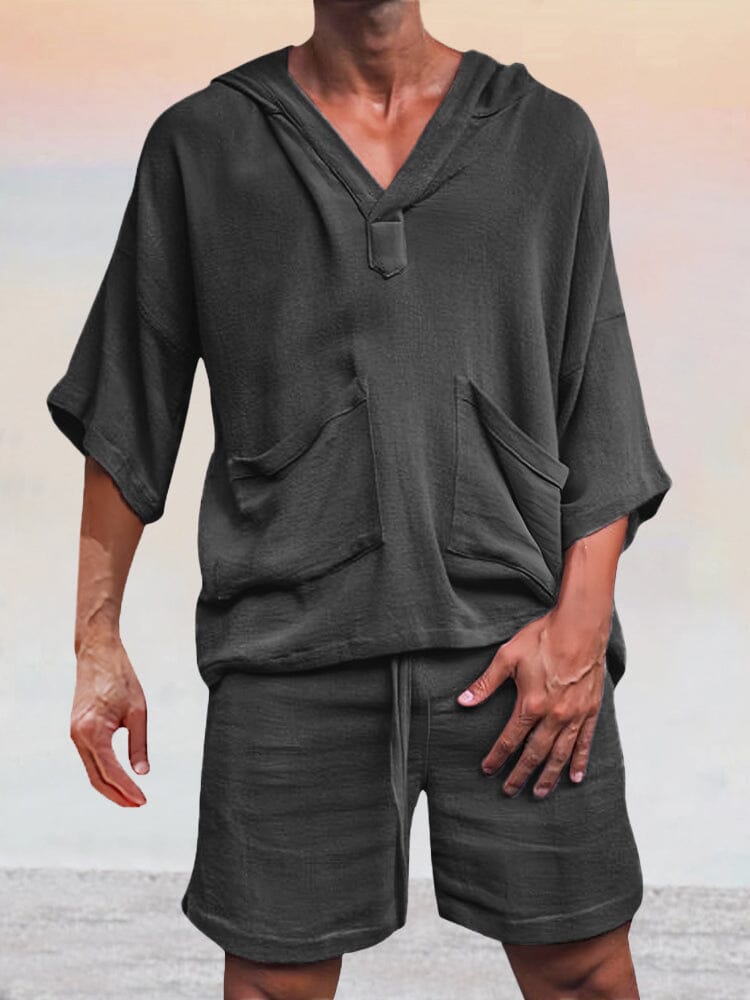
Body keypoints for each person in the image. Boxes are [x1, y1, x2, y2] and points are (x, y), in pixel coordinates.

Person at [46, 3, 673, 998]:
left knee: (584, 971)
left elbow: (600, 402)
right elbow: (128, 406)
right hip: (288, 646)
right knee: (275, 986)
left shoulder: (546, 136)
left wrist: (578, 633)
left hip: (516, 652)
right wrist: (96, 643)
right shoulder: (202, 145)